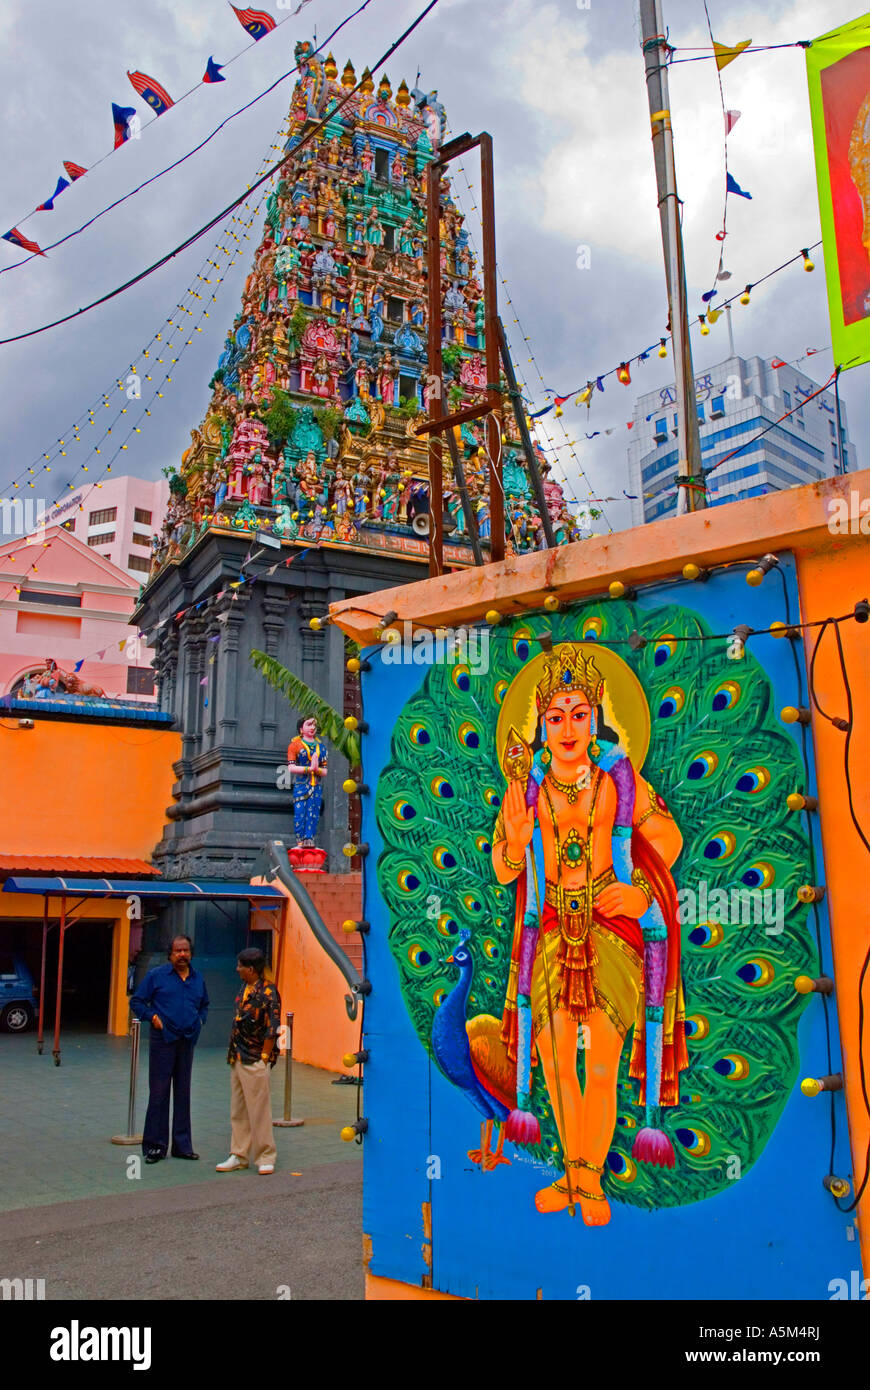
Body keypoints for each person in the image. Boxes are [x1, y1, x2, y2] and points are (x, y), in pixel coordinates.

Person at [493, 644, 687, 1224]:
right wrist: (515, 834)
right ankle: (572, 1176)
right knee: (554, 1058)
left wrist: (640, 896)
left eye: (580, 713)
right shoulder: (526, 789)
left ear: (597, 714)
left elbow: (670, 841)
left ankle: (592, 1180)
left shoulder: (620, 782)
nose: (569, 727)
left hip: (612, 921)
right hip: (549, 925)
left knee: (601, 1061)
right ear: (540, 728)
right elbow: (505, 869)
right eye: (556, 717)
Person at [130, 935, 209, 1163]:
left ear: (190, 953)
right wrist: (152, 1016)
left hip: (187, 1041)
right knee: (159, 1093)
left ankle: (182, 1146)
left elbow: (205, 1004)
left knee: (183, 1093)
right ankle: (155, 1146)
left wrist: (200, 1021)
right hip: (163, 1040)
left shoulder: (197, 979)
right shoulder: (157, 976)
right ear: (170, 954)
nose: (182, 955)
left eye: (185, 950)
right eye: (177, 951)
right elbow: (136, 1002)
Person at [216, 949, 282, 1175]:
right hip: (237, 1055)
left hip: (255, 1058)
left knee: (259, 1111)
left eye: (240, 966)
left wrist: (264, 1058)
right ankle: (239, 1154)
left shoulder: (269, 992)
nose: (237, 969)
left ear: (251, 969)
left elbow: (273, 1028)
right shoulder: (245, 987)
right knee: (239, 1109)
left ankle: (265, 1155)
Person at [286, 716, 328, 845]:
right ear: (301, 729)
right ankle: (299, 840)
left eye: (314, 725)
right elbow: (291, 767)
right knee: (300, 814)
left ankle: (310, 838)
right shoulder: (295, 745)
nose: (312, 727)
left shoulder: (321, 748)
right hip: (301, 785)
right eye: (309, 724)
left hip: (316, 787)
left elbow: (325, 771)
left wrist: (316, 769)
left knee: (313, 814)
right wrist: (309, 769)